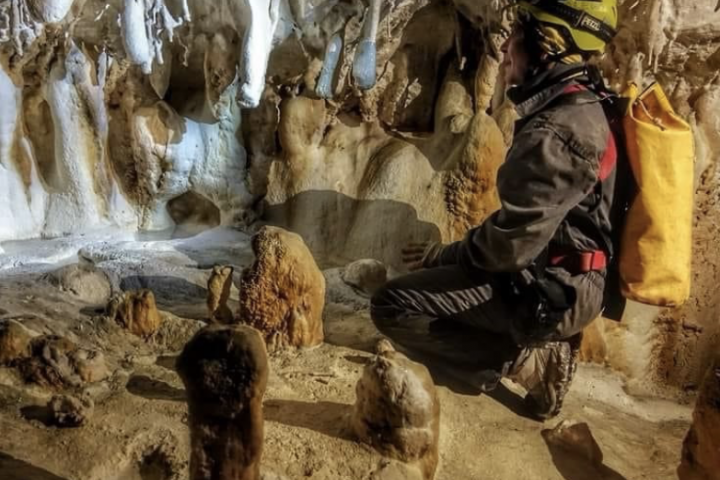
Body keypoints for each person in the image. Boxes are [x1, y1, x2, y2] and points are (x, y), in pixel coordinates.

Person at [371, 0, 620, 420]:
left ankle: (531, 362)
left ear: (548, 45)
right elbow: (527, 225)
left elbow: (505, 251)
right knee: (444, 283)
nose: (504, 52)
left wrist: (444, 255)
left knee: (393, 306)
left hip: (552, 291)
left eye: (516, 38)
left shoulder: (555, 132)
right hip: (567, 277)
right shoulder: (585, 108)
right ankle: (532, 344)